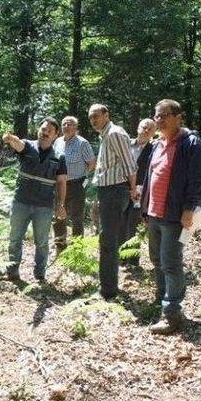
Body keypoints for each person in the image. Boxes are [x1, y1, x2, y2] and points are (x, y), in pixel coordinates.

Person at [142, 99, 201, 334]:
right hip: (154, 212)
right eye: (156, 115)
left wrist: (189, 208)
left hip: (174, 215)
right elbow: (150, 178)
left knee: (170, 263)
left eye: (164, 115)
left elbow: (198, 179)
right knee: (156, 260)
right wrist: (144, 207)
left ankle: (172, 313)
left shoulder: (190, 143)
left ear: (178, 116)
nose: (159, 119)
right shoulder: (157, 144)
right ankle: (162, 301)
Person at [3, 117, 67, 282]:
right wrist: (10, 139)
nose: (45, 133)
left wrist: (60, 205)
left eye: (49, 131)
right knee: (15, 237)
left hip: (44, 206)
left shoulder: (59, 156)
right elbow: (18, 144)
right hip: (21, 202)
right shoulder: (27, 146)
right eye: (43, 129)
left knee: (42, 242)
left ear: (55, 135)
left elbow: (61, 182)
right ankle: (12, 270)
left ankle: (39, 275)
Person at [88, 104, 138, 299]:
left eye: (96, 116)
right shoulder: (105, 135)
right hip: (107, 191)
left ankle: (108, 290)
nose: (93, 121)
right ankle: (108, 285)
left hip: (115, 192)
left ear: (106, 115)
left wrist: (132, 189)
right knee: (107, 239)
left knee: (108, 241)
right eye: (90, 118)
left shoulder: (114, 133)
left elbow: (129, 164)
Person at [52, 116, 95, 253]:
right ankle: (60, 245)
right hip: (59, 184)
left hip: (77, 184)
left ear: (76, 128)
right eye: (64, 124)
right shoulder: (57, 142)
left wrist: (80, 175)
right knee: (58, 213)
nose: (66, 126)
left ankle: (77, 249)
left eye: (70, 124)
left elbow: (91, 163)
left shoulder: (82, 143)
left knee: (77, 217)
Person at [120, 118, 156, 266]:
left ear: (153, 133)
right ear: (137, 127)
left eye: (149, 129)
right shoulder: (126, 144)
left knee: (132, 225)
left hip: (140, 192)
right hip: (121, 188)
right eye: (143, 127)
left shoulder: (154, 149)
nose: (145, 130)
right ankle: (121, 258)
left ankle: (133, 261)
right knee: (120, 223)